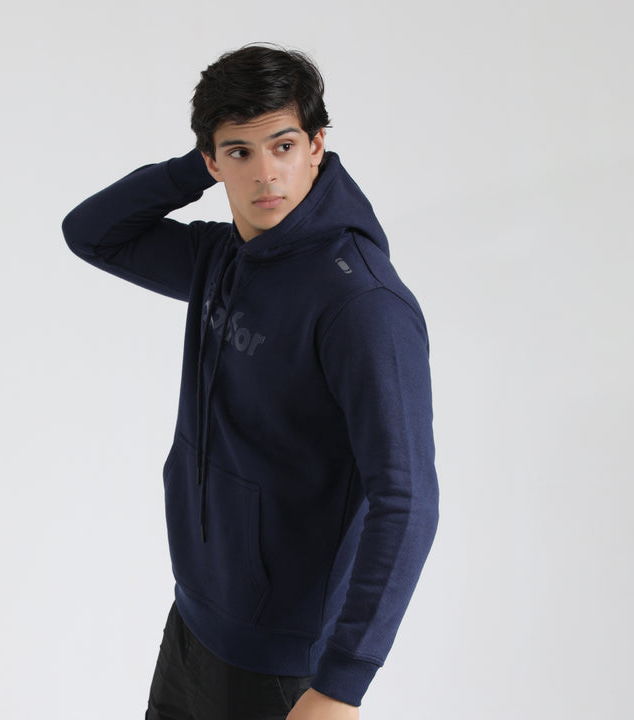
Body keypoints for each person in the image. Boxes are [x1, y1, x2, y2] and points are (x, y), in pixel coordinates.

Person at [62, 43, 439, 720]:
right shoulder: (220, 256)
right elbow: (91, 233)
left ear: (317, 146)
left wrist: (341, 685)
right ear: (213, 162)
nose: (266, 174)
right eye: (240, 152)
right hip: (195, 622)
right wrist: (198, 164)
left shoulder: (361, 304)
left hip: (284, 666)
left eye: (283, 145)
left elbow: (406, 499)